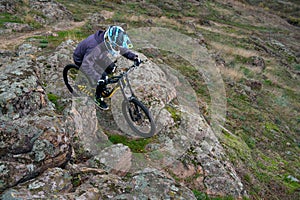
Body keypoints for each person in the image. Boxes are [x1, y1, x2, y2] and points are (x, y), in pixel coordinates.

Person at [73, 25, 141, 110]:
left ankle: (102, 85)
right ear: (108, 41)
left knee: (112, 67)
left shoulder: (109, 39)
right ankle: (97, 97)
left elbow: (120, 48)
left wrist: (133, 57)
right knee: (102, 77)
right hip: (82, 59)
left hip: (98, 56)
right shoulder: (95, 46)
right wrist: (98, 78)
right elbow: (86, 65)